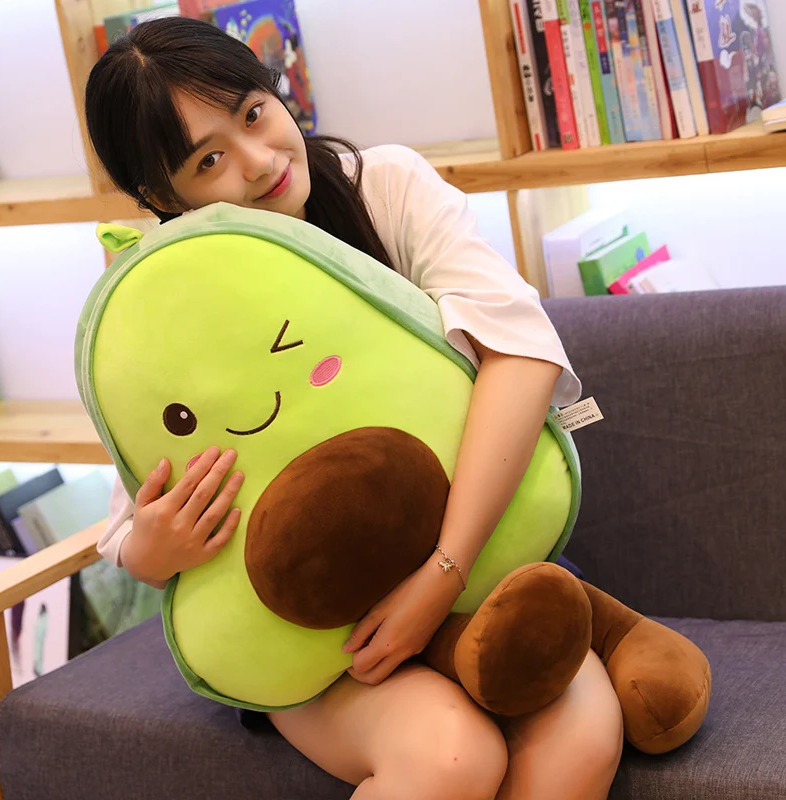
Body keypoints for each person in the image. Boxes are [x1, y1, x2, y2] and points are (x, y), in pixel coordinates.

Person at [85, 17, 623, 799]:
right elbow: (132, 527)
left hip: (477, 561)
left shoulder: (386, 187)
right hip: (319, 632)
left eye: (254, 113)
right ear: (164, 196)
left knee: (581, 739)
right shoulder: (162, 303)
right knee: (451, 758)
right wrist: (155, 548)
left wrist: (443, 574)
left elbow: (520, 353)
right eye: (209, 159)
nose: (259, 160)